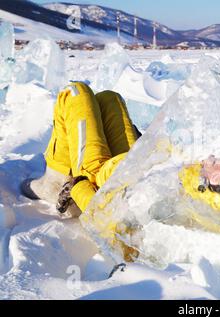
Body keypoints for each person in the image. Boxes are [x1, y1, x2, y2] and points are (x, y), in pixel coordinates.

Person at [21, 81, 140, 218]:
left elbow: (101, 217)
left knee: (75, 92)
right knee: (110, 99)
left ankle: (55, 182)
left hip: (98, 179)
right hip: (133, 167)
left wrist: (77, 187)